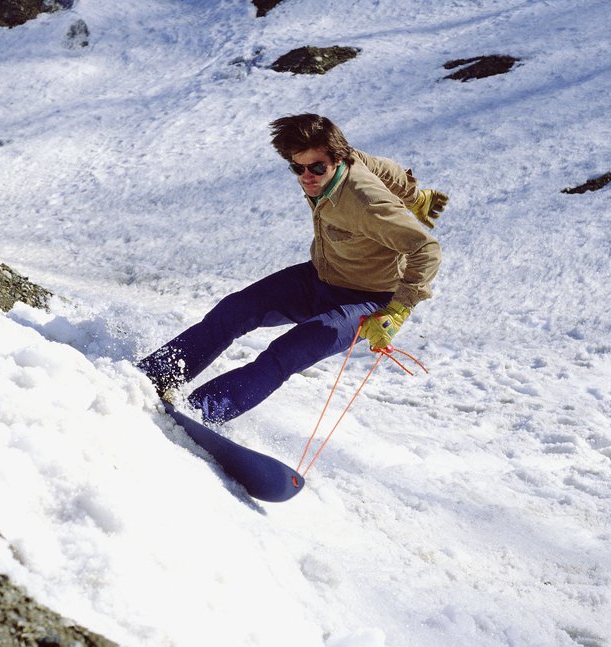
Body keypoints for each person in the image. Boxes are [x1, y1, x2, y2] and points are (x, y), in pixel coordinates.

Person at [137, 113, 446, 424]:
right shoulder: (348, 160)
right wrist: (415, 196)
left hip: (365, 301)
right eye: (297, 167)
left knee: (285, 354)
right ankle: (152, 378)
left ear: (336, 160)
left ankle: (200, 412)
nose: (307, 176)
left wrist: (398, 311)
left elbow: (426, 249)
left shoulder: (368, 203)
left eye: (316, 168)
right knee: (234, 310)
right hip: (320, 278)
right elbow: (384, 168)